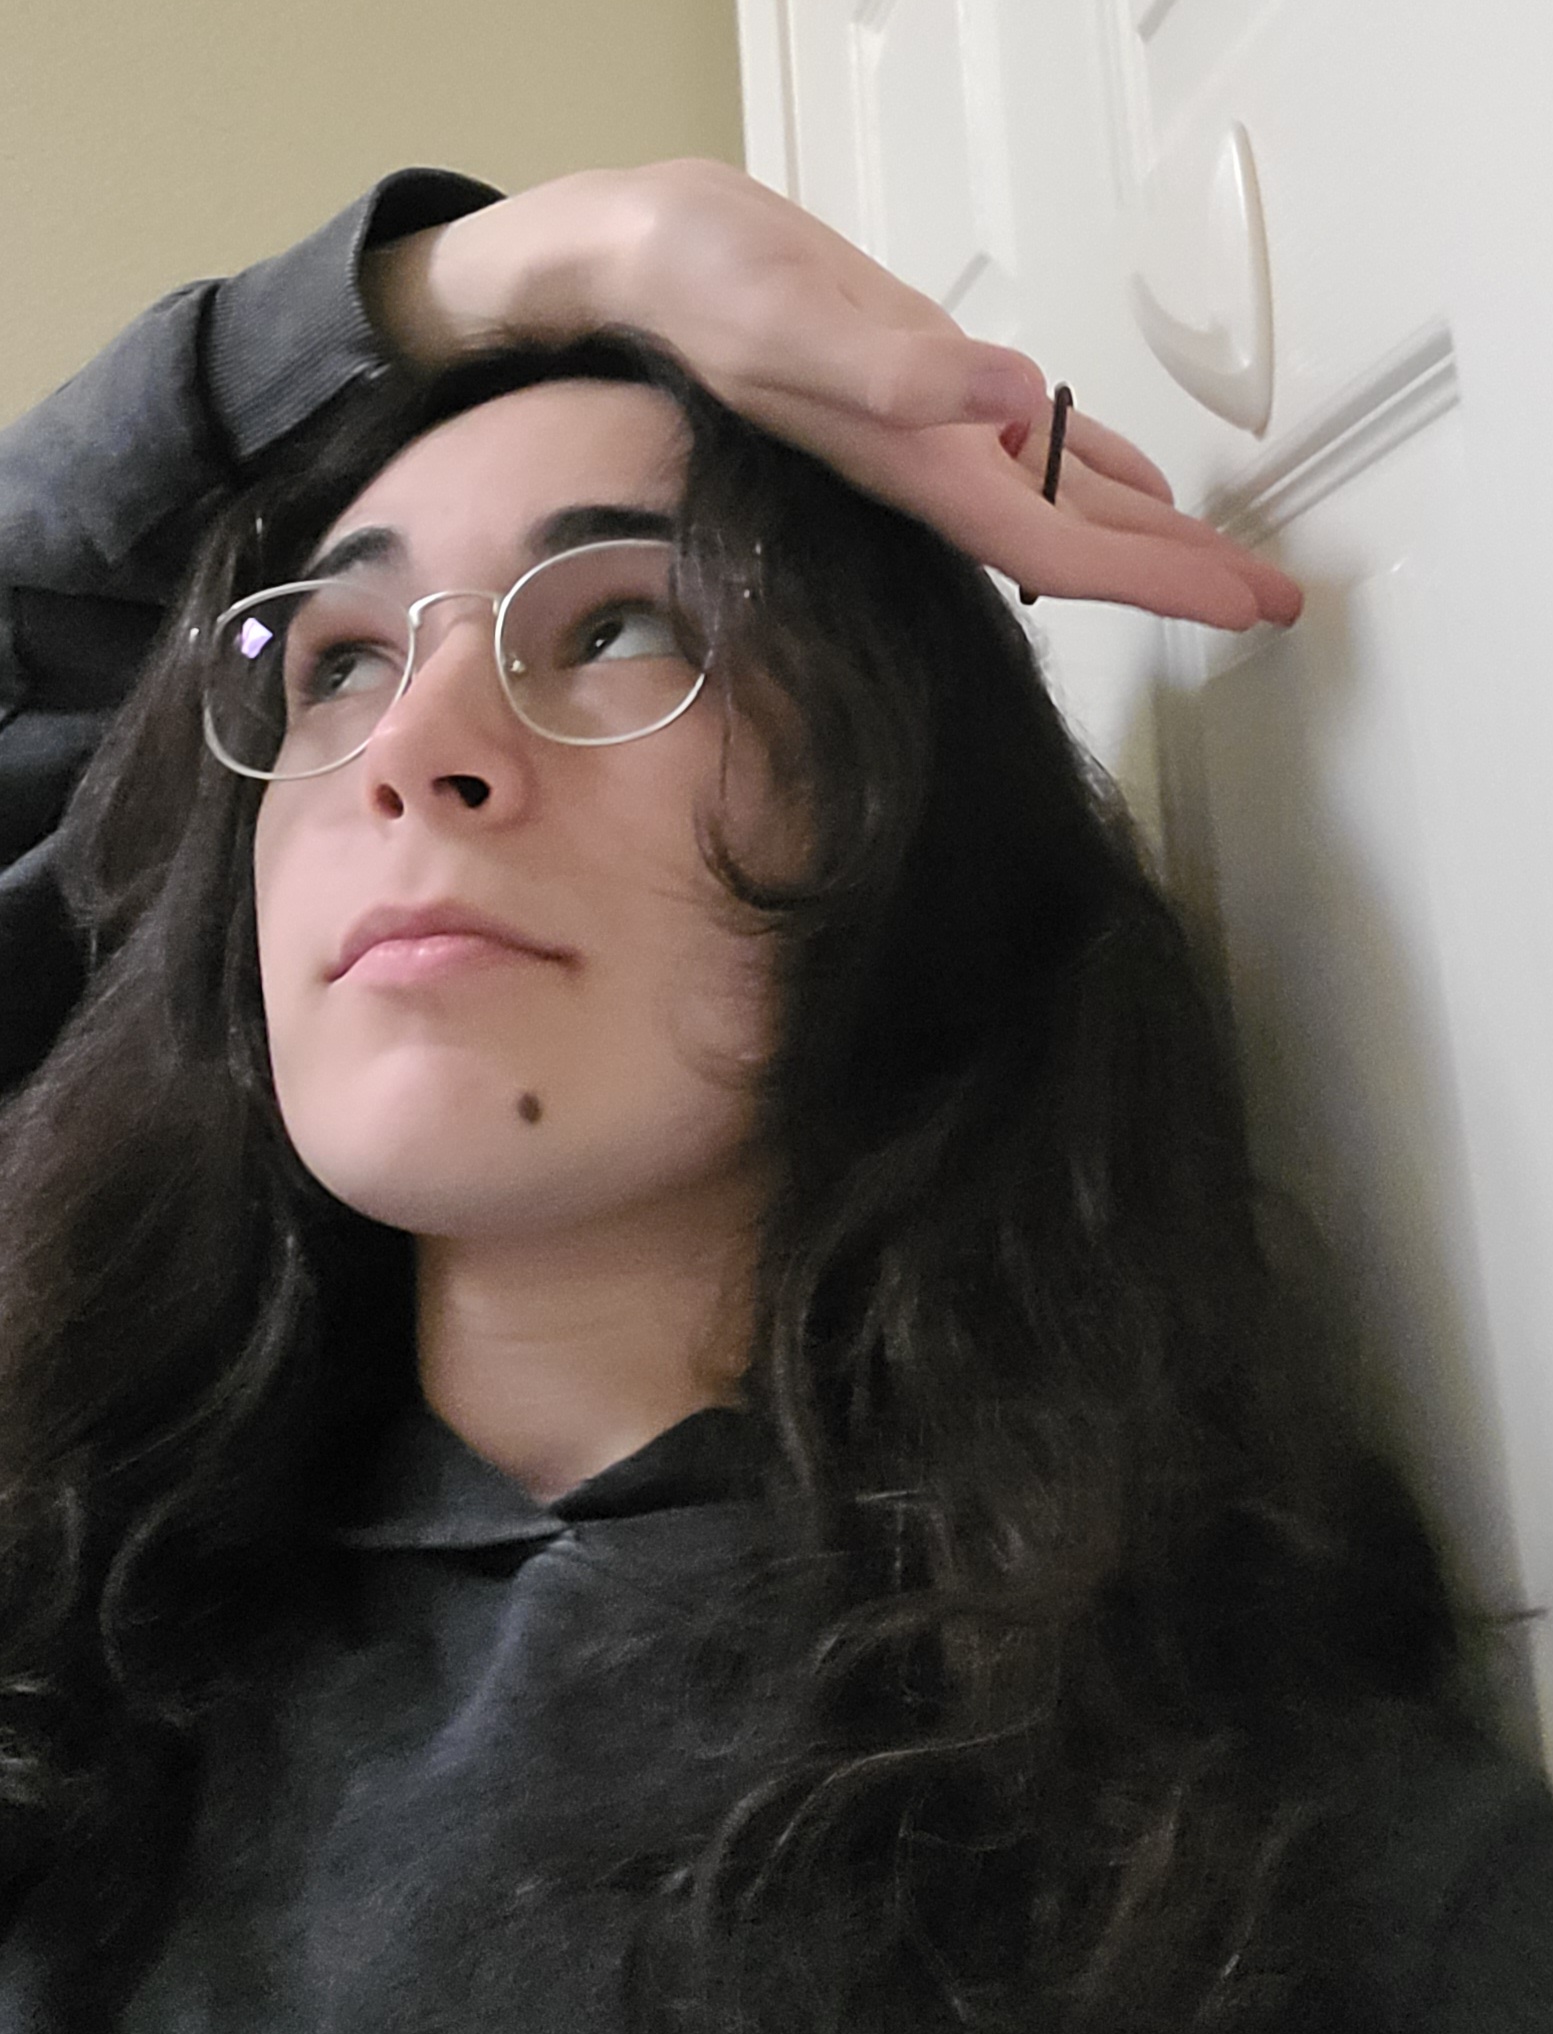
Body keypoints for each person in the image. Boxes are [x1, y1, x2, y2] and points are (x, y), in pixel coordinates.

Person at [0, 166, 1547, 2032]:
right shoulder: (72, 1651)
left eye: (617, 628)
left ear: (897, 812)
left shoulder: (1286, 1873)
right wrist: (529, 261)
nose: (411, 746)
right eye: (337, 661)